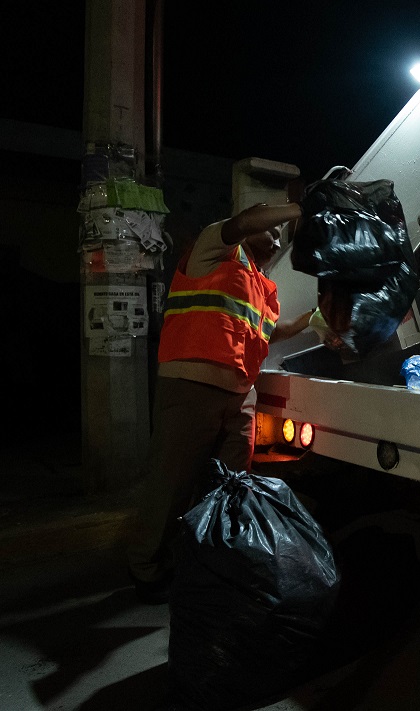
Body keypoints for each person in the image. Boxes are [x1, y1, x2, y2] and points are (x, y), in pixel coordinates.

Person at [126, 200, 316, 604]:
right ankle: (146, 568)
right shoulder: (216, 248)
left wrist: (312, 321)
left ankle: (212, 562)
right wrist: (299, 206)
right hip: (191, 391)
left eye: (280, 233)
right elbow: (246, 220)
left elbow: (270, 332)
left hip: (239, 399)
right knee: (171, 483)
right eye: (271, 228)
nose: (276, 235)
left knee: (231, 488)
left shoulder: (263, 287)